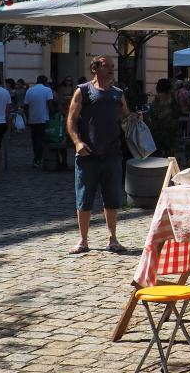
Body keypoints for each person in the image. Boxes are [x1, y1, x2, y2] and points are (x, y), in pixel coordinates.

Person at [66, 56, 133, 254]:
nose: (112, 69)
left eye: (113, 66)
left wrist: (133, 119)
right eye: (107, 66)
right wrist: (77, 142)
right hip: (88, 155)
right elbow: (71, 120)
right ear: (96, 68)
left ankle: (113, 238)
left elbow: (125, 116)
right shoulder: (84, 90)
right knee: (84, 198)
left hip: (112, 153)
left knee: (112, 198)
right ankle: (83, 240)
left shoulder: (117, 93)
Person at [24, 75, 55, 167]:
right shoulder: (47, 90)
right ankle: (39, 158)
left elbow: (26, 106)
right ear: (45, 82)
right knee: (42, 139)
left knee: (34, 139)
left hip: (33, 118)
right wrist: (52, 114)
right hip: (44, 118)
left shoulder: (30, 90)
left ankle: (36, 157)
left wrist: (28, 117)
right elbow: (49, 104)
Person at [145, 78, 181, 157]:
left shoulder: (155, 103)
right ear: (169, 90)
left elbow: (152, 121)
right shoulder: (172, 102)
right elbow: (176, 116)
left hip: (158, 139)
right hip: (168, 138)